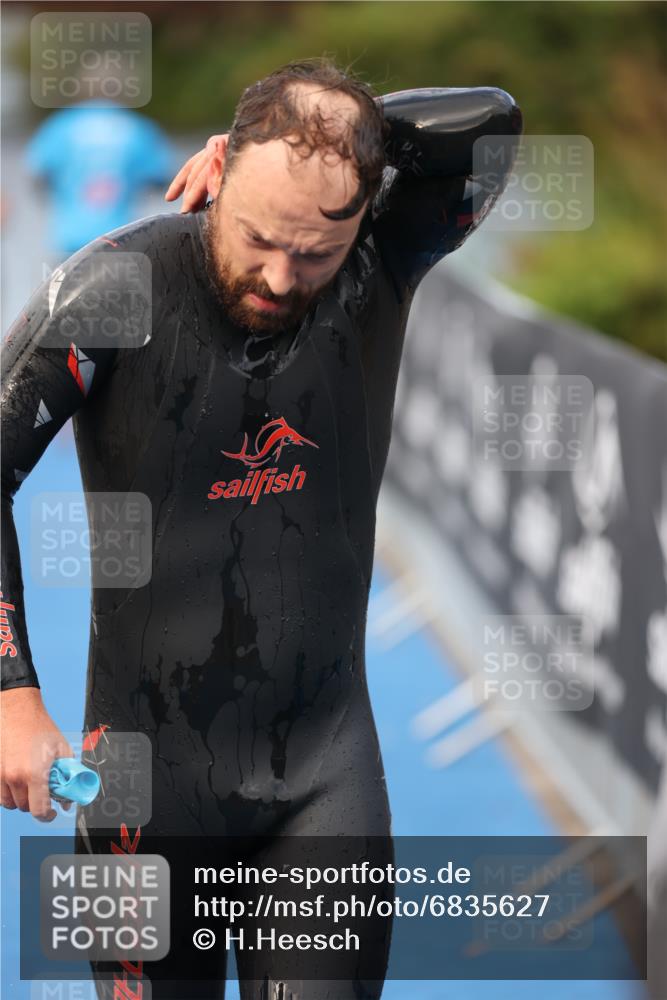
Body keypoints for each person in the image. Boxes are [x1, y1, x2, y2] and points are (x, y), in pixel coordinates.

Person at [1, 57, 522, 999]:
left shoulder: (385, 261)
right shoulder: (111, 286)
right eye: (258, 238)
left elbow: (493, 122)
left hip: (325, 773)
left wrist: (326, 136)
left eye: (315, 251)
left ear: (364, 216)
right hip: (136, 790)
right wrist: (10, 692)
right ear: (218, 174)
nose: (281, 278)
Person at [26, 95, 175, 258]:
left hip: (71, 239)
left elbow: (37, 175)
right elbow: (163, 180)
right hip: (119, 237)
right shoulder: (136, 127)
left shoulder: (61, 124)